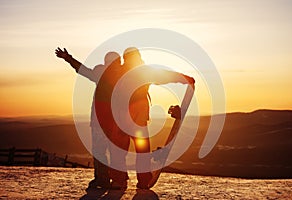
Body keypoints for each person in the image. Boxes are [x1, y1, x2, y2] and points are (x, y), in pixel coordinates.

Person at [103, 47, 195, 189]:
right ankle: (139, 180)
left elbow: (164, 76)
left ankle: (121, 180)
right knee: (138, 151)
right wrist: (184, 78)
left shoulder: (125, 71)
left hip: (124, 118)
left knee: (121, 151)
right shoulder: (141, 71)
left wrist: (184, 78)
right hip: (133, 118)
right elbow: (164, 76)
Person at [55, 47, 121, 189]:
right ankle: (115, 180)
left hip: (102, 120)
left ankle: (104, 179)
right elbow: (83, 70)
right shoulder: (122, 75)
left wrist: (68, 58)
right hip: (113, 121)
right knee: (112, 152)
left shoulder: (101, 73)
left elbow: (83, 70)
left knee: (100, 151)